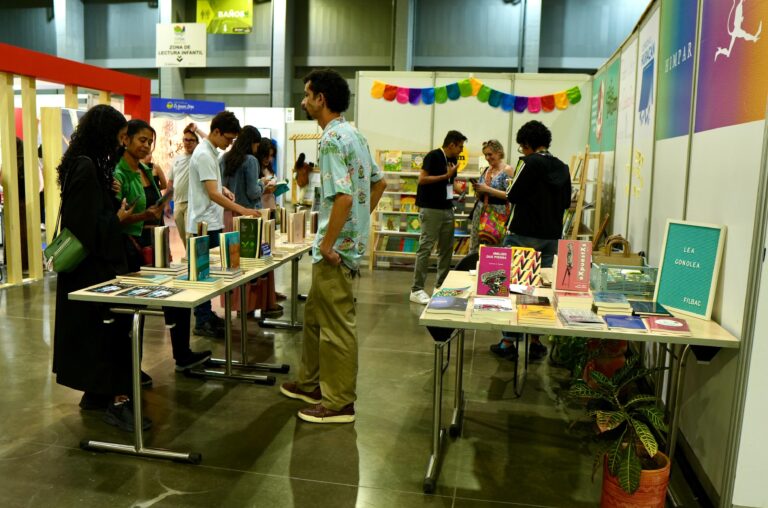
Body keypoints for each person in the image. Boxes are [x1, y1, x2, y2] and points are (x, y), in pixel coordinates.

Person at [279, 68, 386, 424]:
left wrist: (328, 243)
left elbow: (341, 196)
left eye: (307, 95)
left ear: (320, 98)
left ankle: (339, 401)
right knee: (313, 318)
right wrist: (357, 221)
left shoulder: (329, 140)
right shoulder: (354, 134)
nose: (303, 101)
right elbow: (379, 183)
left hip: (335, 252)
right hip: (343, 244)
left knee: (337, 325)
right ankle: (311, 382)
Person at [51, 104, 149, 432]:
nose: (121, 144)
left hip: (92, 268)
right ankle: (117, 400)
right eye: (119, 137)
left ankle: (97, 392)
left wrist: (110, 198)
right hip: (91, 270)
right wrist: (116, 217)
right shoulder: (85, 167)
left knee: (102, 333)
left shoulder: (91, 165)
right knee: (109, 332)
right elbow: (84, 225)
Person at [113, 119, 212, 381]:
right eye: (141, 140)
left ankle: (182, 354)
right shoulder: (118, 173)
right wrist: (145, 215)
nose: (146, 145)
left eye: (149, 141)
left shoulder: (147, 169)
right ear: (126, 140)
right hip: (132, 249)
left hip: (156, 244)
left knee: (176, 298)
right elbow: (117, 217)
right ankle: (131, 369)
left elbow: (157, 202)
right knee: (135, 313)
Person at [491, 120, 571, 360]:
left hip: (523, 233)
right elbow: (566, 202)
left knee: (514, 287)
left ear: (527, 144)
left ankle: (509, 341)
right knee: (541, 289)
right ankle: (536, 340)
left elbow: (512, 194)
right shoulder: (563, 167)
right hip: (551, 236)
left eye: (521, 147)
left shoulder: (528, 162)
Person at [187, 110, 262, 338]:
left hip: (211, 221)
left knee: (209, 273)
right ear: (216, 132)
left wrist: (225, 190)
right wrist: (241, 209)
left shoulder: (210, 153)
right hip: (203, 224)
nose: (229, 145)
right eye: (228, 139)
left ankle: (206, 316)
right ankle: (201, 320)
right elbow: (211, 193)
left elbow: (212, 186)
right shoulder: (204, 154)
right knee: (201, 274)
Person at [219, 125, 282, 318]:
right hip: (249, 217)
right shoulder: (250, 161)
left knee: (235, 264)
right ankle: (258, 303)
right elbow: (253, 192)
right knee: (257, 262)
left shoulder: (224, 159)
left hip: (229, 216)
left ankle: (239, 305)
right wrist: (262, 184)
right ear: (253, 143)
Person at [409, 130, 467, 305]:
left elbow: (448, 183)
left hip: (447, 208)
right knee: (425, 247)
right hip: (430, 208)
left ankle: (440, 285)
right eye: (460, 147)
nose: (461, 151)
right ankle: (417, 289)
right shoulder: (433, 156)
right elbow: (422, 179)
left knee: (446, 248)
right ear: (451, 145)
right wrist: (446, 176)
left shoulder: (453, 160)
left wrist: (459, 189)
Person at [469, 139, 514, 253]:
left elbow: (511, 195)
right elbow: (481, 192)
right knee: (475, 244)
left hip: (498, 213)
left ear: (499, 152)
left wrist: (488, 190)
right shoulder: (487, 170)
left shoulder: (507, 170)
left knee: (495, 246)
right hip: (481, 210)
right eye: (485, 155)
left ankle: (493, 270)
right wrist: (478, 189)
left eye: (490, 154)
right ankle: (473, 267)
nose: (487, 158)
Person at [167, 124, 199, 246]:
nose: (188, 142)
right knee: (183, 237)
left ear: (197, 142)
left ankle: (191, 261)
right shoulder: (177, 159)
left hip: (192, 203)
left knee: (190, 236)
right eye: (186, 139)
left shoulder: (198, 158)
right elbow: (171, 181)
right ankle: (189, 259)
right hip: (177, 203)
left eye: (191, 140)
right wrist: (166, 203)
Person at [256, 138, 277, 210]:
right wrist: (264, 189)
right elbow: (252, 191)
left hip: (271, 205)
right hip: (259, 208)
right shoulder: (254, 168)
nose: (269, 159)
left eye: (271, 155)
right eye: (266, 155)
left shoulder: (268, 168)